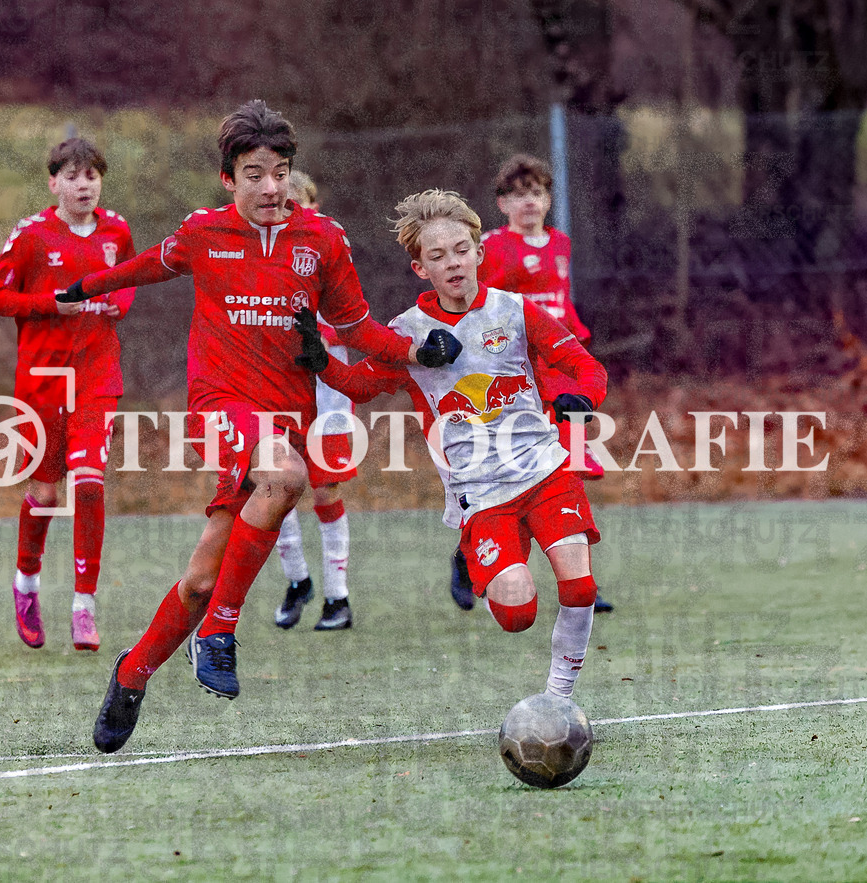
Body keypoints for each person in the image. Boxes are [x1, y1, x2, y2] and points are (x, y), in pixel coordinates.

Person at [57, 101, 461, 752]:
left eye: (280, 171)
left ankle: (132, 672)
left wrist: (415, 351)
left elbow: (356, 328)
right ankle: (220, 630)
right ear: (228, 179)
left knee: (198, 578)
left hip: (287, 415)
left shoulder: (323, 240)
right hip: (220, 406)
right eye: (254, 173)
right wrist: (85, 286)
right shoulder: (203, 233)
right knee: (284, 476)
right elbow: (150, 264)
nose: (271, 186)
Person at [305, 189, 607, 701]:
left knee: (579, 587)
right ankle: (475, 557)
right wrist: (317, 359)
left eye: (462, 250)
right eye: (438, 256)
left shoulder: (516, 311)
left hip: (545, 471)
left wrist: (585, 397)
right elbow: (358, 386)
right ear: (420, 268)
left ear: (479, 252)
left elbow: (585, 366)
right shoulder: (406, 332)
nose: (453, 263)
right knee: (517, 617)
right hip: (480, 493)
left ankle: (558, 702)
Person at [0, 137, 137, 652]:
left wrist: (120, 303)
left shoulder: (117, 230)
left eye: (91, 176)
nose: (83, 185)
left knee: (90, 483)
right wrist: (51, 304)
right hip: (43, 382)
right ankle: (26, 585)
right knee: (46, 494)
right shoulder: (31, 235)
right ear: (54, 183)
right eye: (72, 177)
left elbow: (129, 279)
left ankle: (83, 608)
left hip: (97, 377)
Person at [456, 152, 613, 614]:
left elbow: (561, 307)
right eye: (519, 194)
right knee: (512, 478)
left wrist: (580, 358)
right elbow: (474, 303)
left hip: (562, 376)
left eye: (538, 193)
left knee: (569, 473)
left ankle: (583, 579)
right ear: (502, 204)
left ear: (549, 199)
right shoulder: (491, 248)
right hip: (517, 382)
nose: (530, 203)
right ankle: (472, 559)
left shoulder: (561, 243)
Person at [273, 170, 356, 631]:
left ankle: (337, 598)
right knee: (275, 486)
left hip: (328, 393)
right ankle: (297, 580)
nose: (288, 213)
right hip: (275, 388)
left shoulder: (329, 250)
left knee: (325, 489)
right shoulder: (258, 256)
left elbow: (352, 317)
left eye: (297, 204)